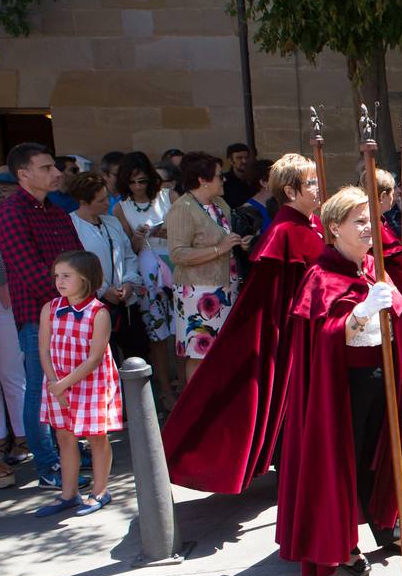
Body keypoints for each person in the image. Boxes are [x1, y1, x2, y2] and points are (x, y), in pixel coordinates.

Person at [274, 187, 402, 576]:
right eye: (359, 221)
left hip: (384, 375)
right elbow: (326, 335)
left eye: (372, 220)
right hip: (344, 387)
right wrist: (361, 312)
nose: (369, 228)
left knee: (385, 455)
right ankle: (342, 543)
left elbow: (398, 319)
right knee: (348, 460)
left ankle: (388, 525)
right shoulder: (320, 276)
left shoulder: (371, 267)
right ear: (333, 228)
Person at [163, 153, 325, 495]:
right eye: (311, 182)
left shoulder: (304, 224)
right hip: (212, 300)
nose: (318, 187)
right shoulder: (284, 232)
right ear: (291, 192)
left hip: (242, 300)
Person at [0, 142, 86, 489]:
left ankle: (72, 450)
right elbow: (29, 271)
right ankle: (48, 462)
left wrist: (82, 301)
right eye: (47, 168)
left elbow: (79, 260)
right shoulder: (10, 214)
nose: (56, 173)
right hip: (39, 317)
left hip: (71, 311)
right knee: (41, 388)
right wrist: (72, 301)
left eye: (54, 167)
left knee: (69, 387)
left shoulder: (57, 212)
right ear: (24, 174)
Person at [34, 251, 121, 517]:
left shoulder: (99, 313)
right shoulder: (51, 308)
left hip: (90, 383)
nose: (59, 281)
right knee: (64, 435)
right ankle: (68, 494)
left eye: (66, 276)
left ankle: (100, 490)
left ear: (85, 279)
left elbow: (95, 358)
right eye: (57, 276)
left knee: (96, 436)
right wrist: (53, 382)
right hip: (57, 381)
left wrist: (63, 384)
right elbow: (44, 349)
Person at [166, 152, 249, 380]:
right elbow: (178, 253)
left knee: (224, 350)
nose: (223, 180)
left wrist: (238, 243)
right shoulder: (182, 208)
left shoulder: (219, 204)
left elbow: (223, 239)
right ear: (203, 180)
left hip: (225, 288)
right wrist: (219, 249)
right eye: (219, 176)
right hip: (197, 293)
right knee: (199, 354)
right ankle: (196, 410)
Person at [112, 151, 177, 410]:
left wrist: (168, 230)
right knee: (157, 335)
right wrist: (139, 236)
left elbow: (189, 231)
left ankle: (184, 384)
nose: (138, 187)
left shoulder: (169, 196)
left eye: (142, 181)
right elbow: (128, 248)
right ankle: (165, 390)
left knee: (181, 331)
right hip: (148, 274)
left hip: (174, 266)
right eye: (132, 182)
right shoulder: (121, 207)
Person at [68, 172, 145, 362]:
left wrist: (128, 283)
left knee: (137, 356)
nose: (107, 203)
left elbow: (128, 256)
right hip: (94, 307)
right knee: (107, 361)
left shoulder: (112, 221)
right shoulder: (70, 225)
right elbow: (74, 266)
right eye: (101, 200)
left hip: (125, 304)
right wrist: (103, 290)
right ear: (83, 202)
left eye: (107, 197)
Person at [0, 172, 30, 469]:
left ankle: (22, 436)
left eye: (4, 189)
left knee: (12, 373)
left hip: (4, 302)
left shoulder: (9, 221)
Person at [222, 142, 254, 207]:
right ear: (231, 160)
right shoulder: (224, 182)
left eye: (247, 157)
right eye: (239, 158)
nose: (244, 161)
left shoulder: (256, 179)